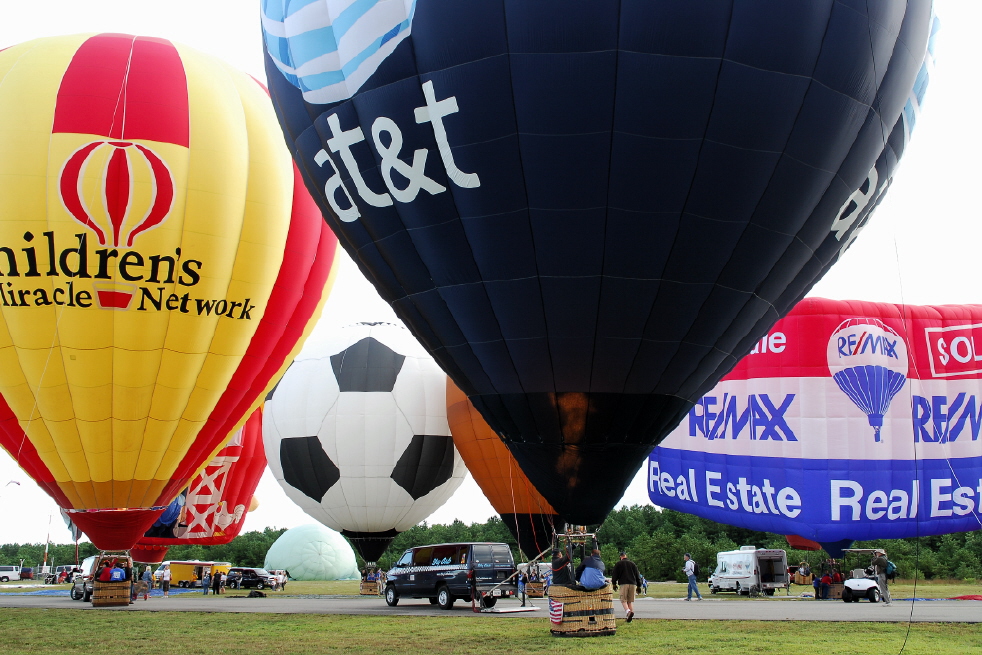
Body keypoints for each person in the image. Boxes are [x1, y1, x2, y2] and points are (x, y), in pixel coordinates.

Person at [611, 551, 643, 622]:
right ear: (626, 556)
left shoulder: (619, 564)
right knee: (630, 601)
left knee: (623, 600)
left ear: (620, 557)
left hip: (624, 583)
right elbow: (637, 575)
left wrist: (614, 584)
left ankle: (628, 612)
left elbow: (615, 575)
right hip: (633, 584)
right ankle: (629, 618)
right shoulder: (632, 564)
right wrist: (639, 586)